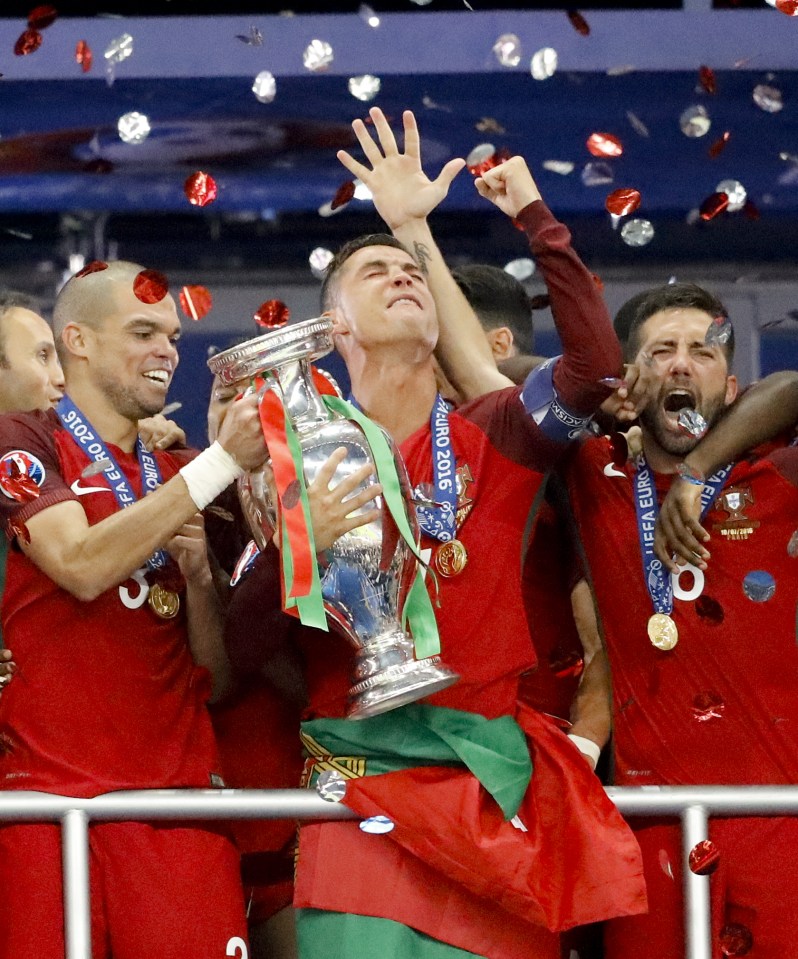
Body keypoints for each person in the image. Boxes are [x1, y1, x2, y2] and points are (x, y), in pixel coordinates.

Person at [254, 108, 647, 959]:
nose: (403, 278)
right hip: (362, 795)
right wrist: (293, 543)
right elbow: (248, 646)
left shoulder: (499, 435)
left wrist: (531, 218)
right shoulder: (293, 452)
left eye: (415, 274)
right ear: (335, 329)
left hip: (490, 792)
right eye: (375, 273)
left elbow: (594, 369)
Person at [0, 260, 268, 959]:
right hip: (50, 811)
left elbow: (218, 676)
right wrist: (218, 465)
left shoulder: (181, 476)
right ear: (77, 341)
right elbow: (82, 567)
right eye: (143, 330)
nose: (167, 351)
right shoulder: (25, 441)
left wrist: (202, 582)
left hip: (179, 811)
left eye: (173, 336)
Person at [560, 281, 798, 958]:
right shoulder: (593, 473)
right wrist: (596, 394)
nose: (683, 363)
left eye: (704, 350)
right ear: (633, 378)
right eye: (661, 351)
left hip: (782, 826)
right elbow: (502, 376)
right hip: (648, 830)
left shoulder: (783, 474)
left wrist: (695, 471)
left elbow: (795, 385)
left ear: (731, 384)